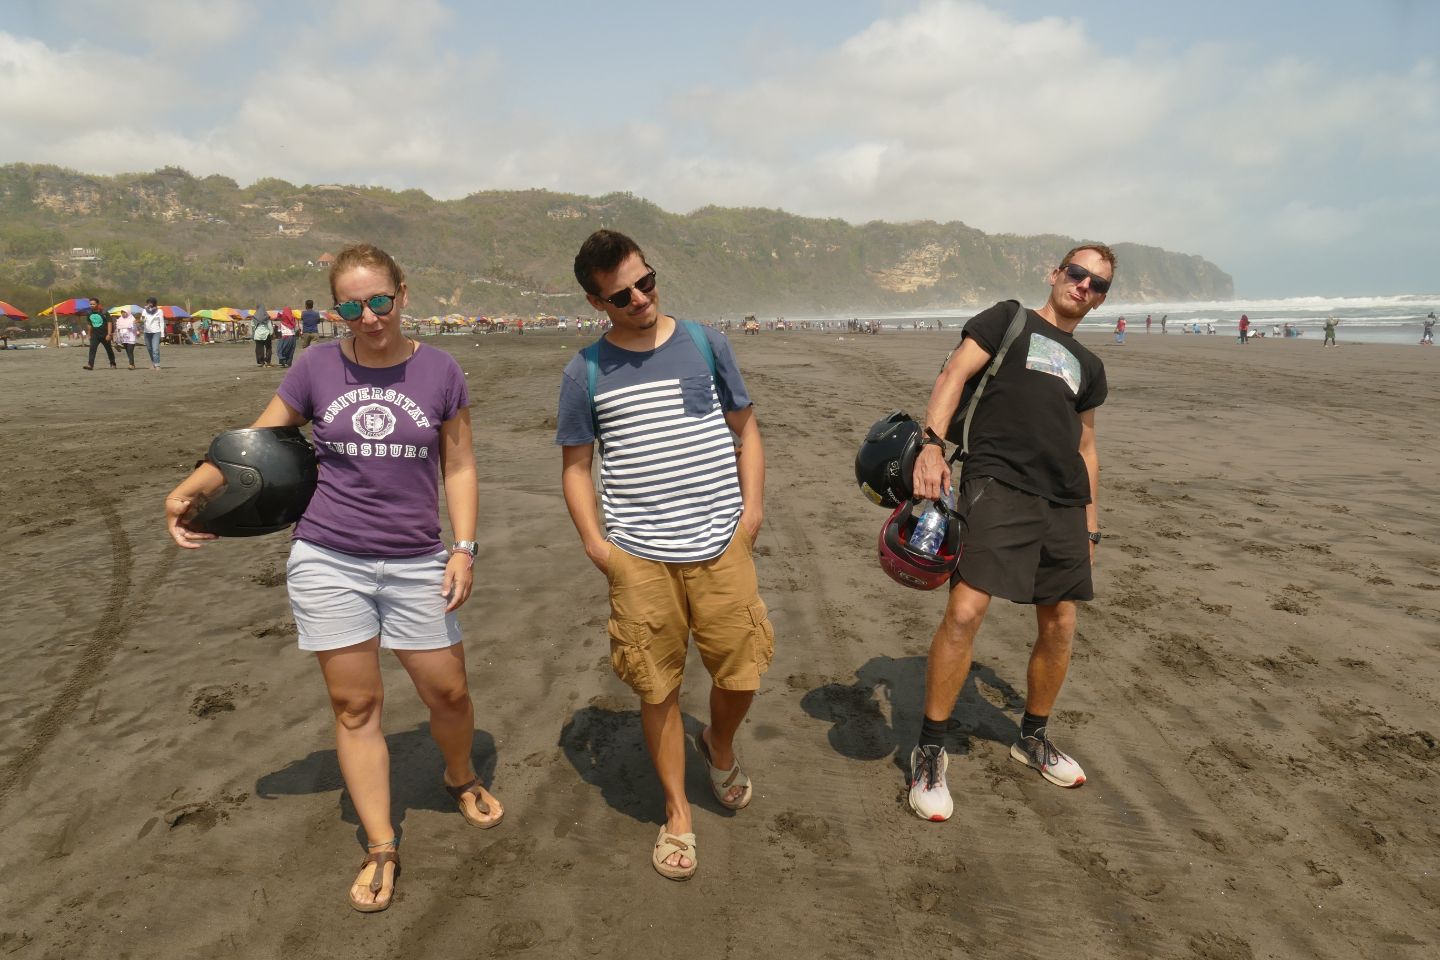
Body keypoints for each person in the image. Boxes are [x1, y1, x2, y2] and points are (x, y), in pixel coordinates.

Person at [164, 243, 499, 913]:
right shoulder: (317, 365)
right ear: (337, 310)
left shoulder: (440, 370)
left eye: (380, 301)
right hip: (328, 557)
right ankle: (380, 843)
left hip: (416, 559)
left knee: (449, 693)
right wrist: (189, 489)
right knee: (355, 706)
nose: (369, 317)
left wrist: (463, 549)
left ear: (402, 295)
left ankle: (460, 775)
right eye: (352, 307)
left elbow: (459, 466)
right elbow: (257, 443)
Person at [556, 229, 773, 880]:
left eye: (645, 282)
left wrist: (751, 513)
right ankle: (677, 811)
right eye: (622, 296)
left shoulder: (707, 345)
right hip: (639, 557)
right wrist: (597, 545)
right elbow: (576, 466)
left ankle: (719, 743)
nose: (641, 299)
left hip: (722, 542)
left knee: (742, 671)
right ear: (597, 303)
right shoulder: (585, 371)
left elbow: (745, 429)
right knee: (658, 687)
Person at [905, 244, 1111, 822]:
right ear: (1056, 274)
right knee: (966, 611)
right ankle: (930, 749)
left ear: (1100, 299)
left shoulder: (1090, 365)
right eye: (1078, 274)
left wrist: (1091, 526)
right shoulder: (1009, 319)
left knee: (1060, 622)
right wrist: (931, 445)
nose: (1084, 286)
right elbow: (953, 374)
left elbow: (1087, 446)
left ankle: (1033, 737)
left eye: (1097, 284)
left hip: (1063, 500)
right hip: (997, 480)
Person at [82, 298, 116, 370]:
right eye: (90, 304)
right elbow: (89, 324)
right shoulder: (89, 313)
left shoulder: (104, 312)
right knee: (92, 349)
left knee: (109, 349)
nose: (92, 305)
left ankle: (113, 363)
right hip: (94, 335)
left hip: (105, 334)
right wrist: (89, 334)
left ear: (97, 304)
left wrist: (109, 334)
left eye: (93, 304)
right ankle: (90, 365)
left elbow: (109, 323)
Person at [140, 298, 165, 369]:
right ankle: (153, 363)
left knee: (155, 349)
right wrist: (143, 316)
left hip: (156, 332)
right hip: (147, 332)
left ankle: (157, 364)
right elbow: (142, 320)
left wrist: (162, 334)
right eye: (148, 302)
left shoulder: (159, 311)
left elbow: (162, 322)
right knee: (149, 348)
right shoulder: (144, 310)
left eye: (151, 302)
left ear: (154, 303)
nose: (149, 304)